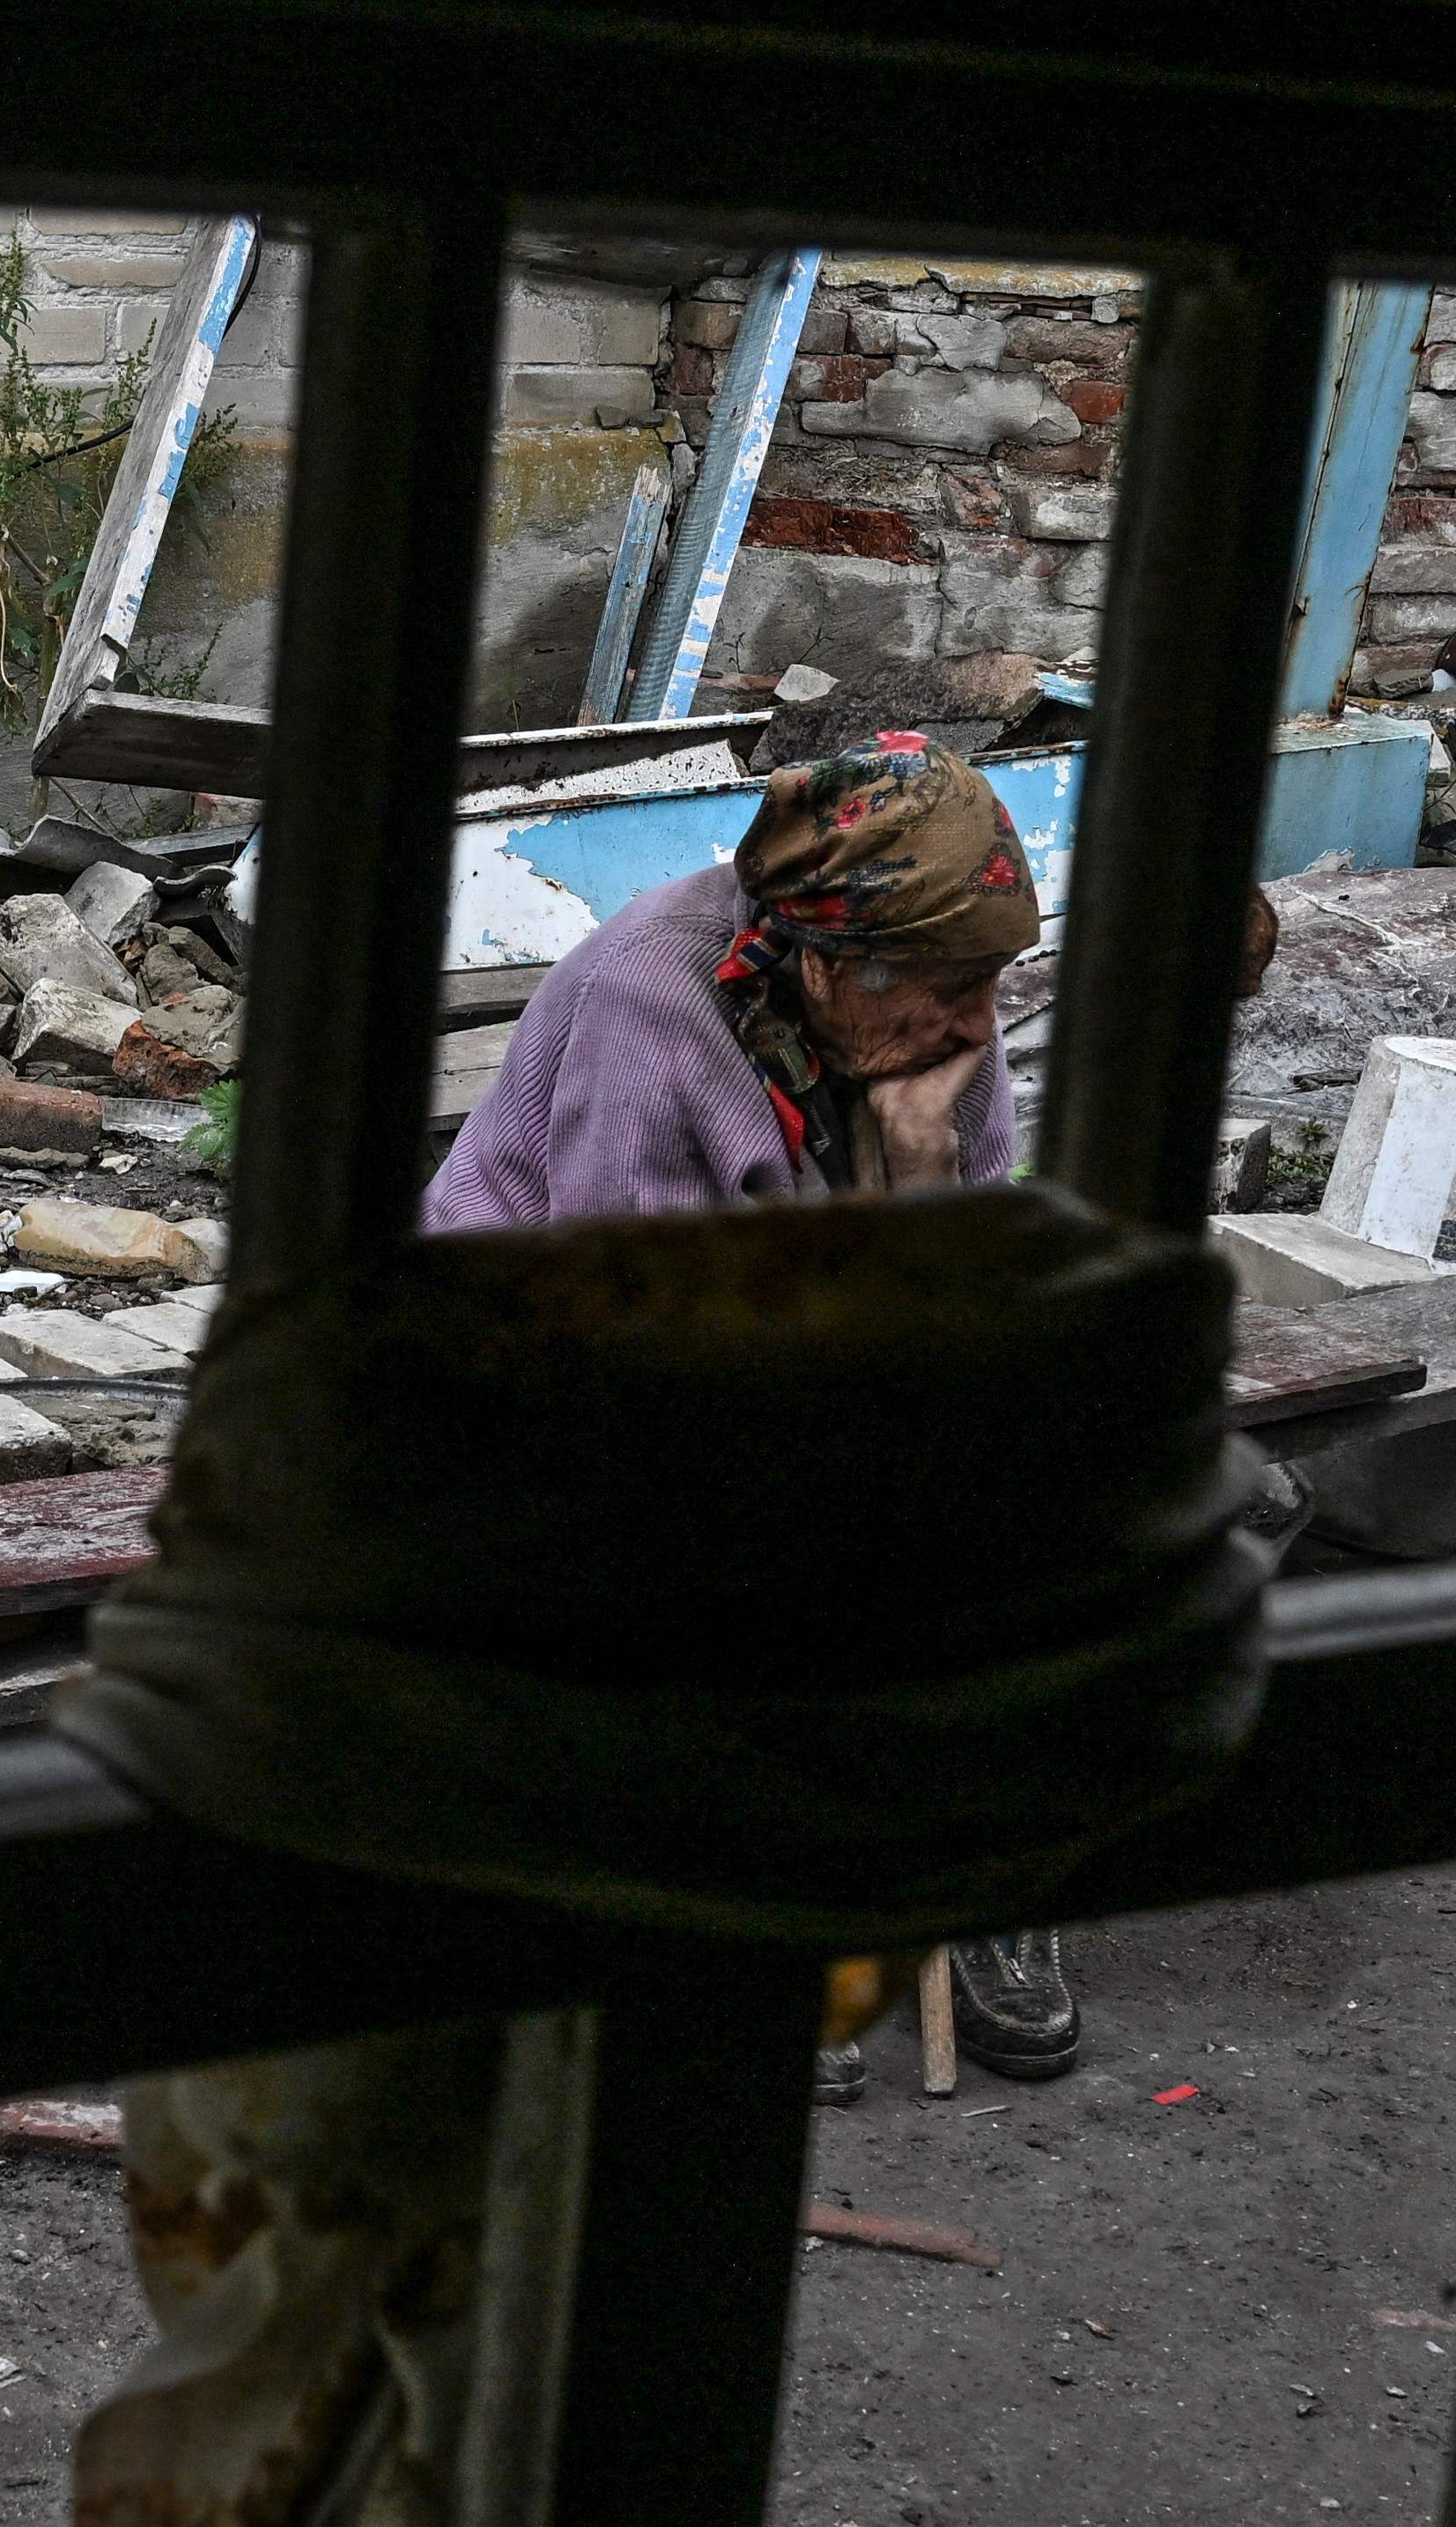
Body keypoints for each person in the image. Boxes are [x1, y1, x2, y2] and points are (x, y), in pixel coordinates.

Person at [419, 736, 1088, 2084]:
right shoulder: (650, 1018)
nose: (981, 1026)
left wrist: (915, 1165)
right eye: (957, 995)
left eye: (993, 990)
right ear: (831, 965)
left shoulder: (933, 998)